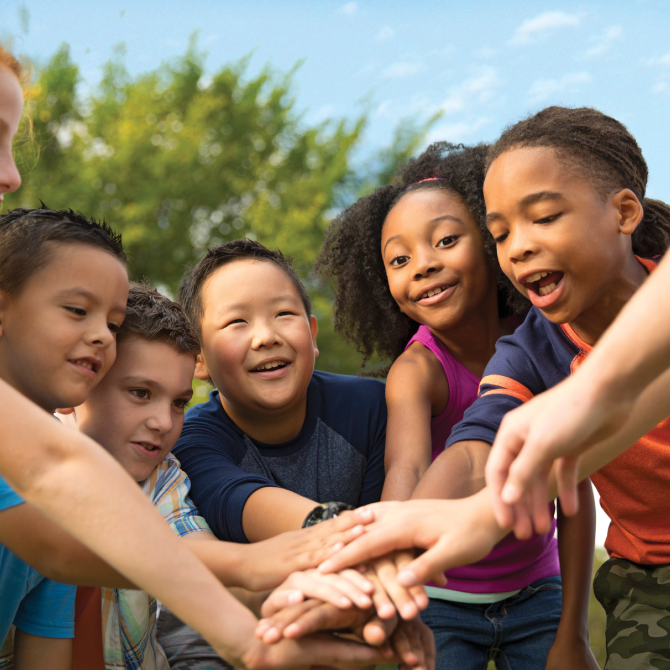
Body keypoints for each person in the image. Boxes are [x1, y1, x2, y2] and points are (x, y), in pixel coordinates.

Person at [323, 106, 670, 669]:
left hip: (537, 591)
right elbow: (474, 449)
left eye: (544, 217)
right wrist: (396, 538)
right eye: (502, 232)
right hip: (646, 574)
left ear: (624, 212)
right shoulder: (529, 352)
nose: (519, 247)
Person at [0, 203, 394, 670]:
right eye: (77, 310)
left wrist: (262, 627)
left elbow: (49, 635)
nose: (102, 338)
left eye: (110, 322)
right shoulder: (67, 477)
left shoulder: (158, 475)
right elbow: (63, 544)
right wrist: (257, 562)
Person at [62, 282, 404, 670]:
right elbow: (230, 503)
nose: (162, 422)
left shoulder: (162, 477)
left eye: (178, 402)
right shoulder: (191, 440)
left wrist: (284, 599)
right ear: (84, 377)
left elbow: (194, 548)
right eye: (140, 393)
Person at [157, 239, 430, 668]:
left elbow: (398, 496)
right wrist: (357, 539)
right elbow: (241, 501)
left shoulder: (372, 408)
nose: (266, 337)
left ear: (312, 334)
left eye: (284, 314)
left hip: (349, 619)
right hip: (231, 642)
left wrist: (384, 572)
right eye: (236, 322)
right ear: (199, 360)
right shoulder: (190, 440)